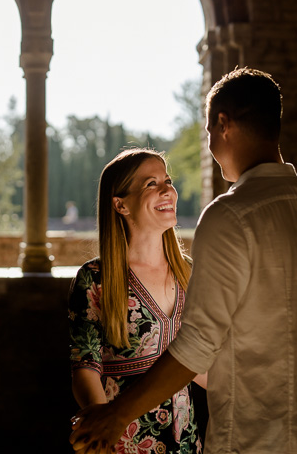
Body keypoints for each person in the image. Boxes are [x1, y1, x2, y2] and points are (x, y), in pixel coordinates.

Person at [70, 68, 297, 453]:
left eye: (207, 131)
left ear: (223, 125)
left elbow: (200, 344)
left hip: (252, 442)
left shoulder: (231, 216)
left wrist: (116, 416)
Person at [68, 148, 206, 454]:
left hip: (186, 444)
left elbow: (203, 363)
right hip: (123, 443)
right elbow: (86, 367)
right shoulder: (95, 278)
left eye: (167, 180)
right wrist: (105, 431)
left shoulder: (191, 273)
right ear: (120, 204)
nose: (168, 190)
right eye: (151, 184)